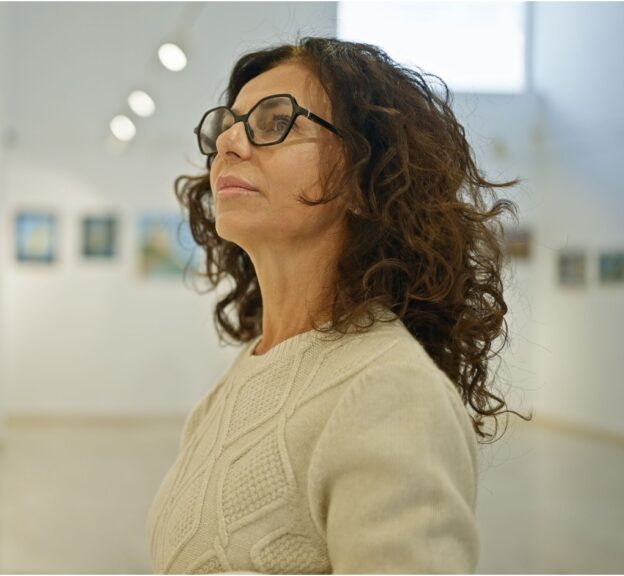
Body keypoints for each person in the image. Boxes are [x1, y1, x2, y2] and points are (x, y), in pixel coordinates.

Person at [146, 37, 531, 574]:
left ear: (362, 176)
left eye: (274, 121)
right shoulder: (250, 369)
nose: (229, 143)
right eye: (228, 124)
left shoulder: (392, 393)